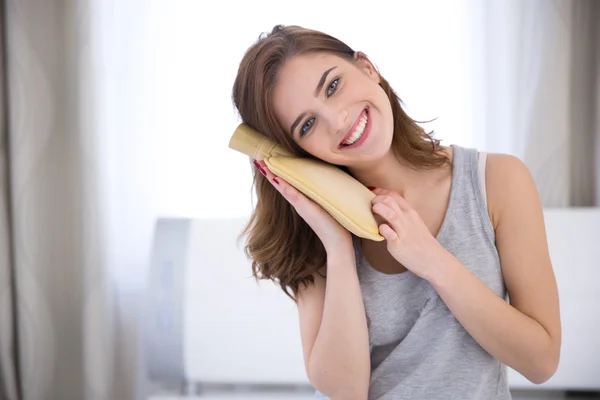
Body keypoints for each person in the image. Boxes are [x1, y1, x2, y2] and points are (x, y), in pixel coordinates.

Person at [231, 24, 561, 400]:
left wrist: (432, 260)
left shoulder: (496, 181)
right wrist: (338, 249)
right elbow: (345, 390)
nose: (337, 120)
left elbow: (542, 362)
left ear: (367, 67)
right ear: (298, 152)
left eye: (333, 86)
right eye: (307, 125)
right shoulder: (313, 234)